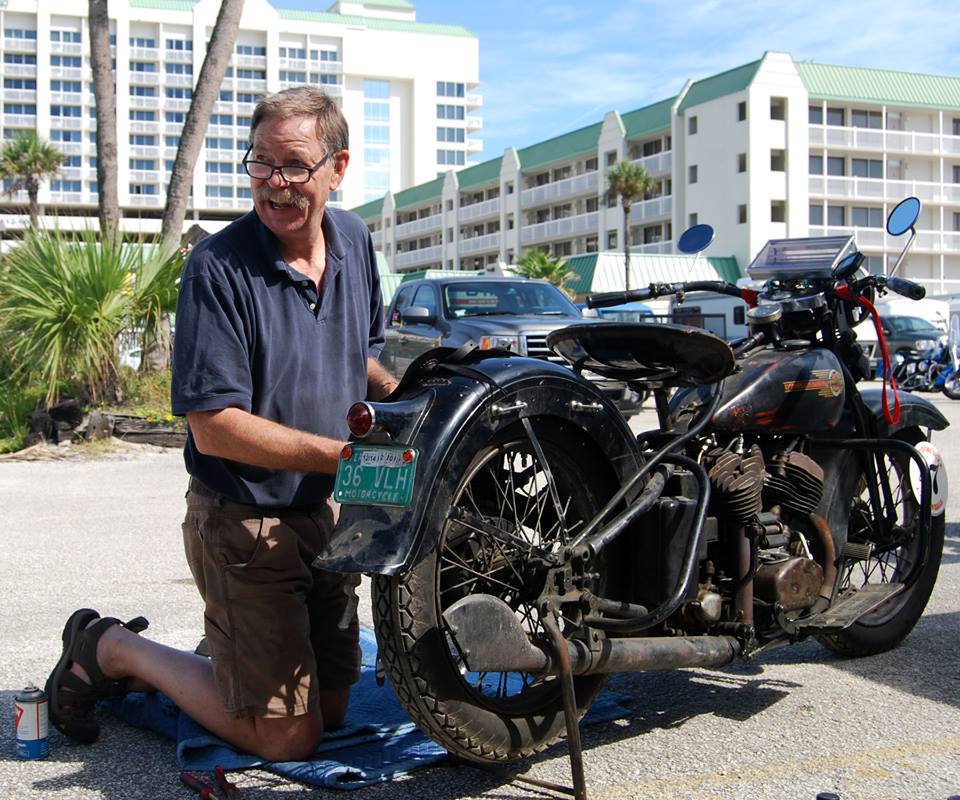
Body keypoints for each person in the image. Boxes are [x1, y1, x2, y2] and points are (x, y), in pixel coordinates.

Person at [45, 86, 398, 762]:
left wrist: (411, 390)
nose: (275, 184)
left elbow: (366, 355)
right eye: (260, 163)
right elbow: (215, 427)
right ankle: (113, 647)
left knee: (332, 708)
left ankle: (235, 653)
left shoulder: (352, 238)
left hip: (321, 512)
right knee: (289, 738)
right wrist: (346, 460)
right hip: (241, 519)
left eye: (294, 165)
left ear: (338, 167)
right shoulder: (219, 268)